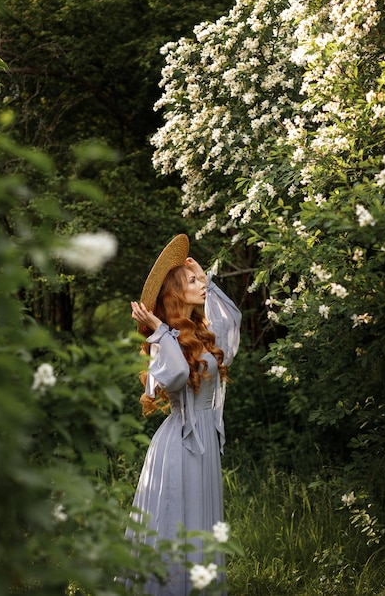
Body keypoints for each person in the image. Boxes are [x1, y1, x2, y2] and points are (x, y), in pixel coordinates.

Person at [124, 234, 241, 596]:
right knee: (178, 517)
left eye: (198, 282)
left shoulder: (202, 334)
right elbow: (174, 375)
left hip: (203, 434)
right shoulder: (166, 339)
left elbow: (232, 320)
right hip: (180, 441)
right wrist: (159, 330)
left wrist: (204, 276)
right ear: (175, 293)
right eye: (191, 283)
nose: (199, 286)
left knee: (199, 517)